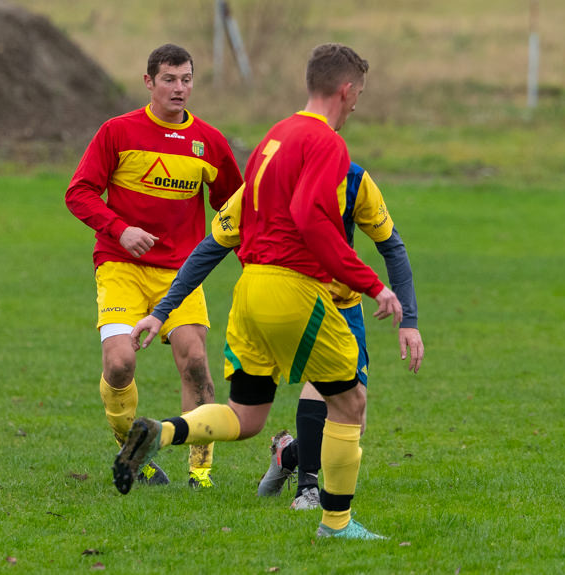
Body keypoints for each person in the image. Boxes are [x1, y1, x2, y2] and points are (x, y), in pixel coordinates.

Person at [114, 43, 402, 540]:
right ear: (346, 90)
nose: (356, 103)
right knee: (350, 401)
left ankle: (161, 432)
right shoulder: (328, 143)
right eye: (359, 95)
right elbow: (313, 218)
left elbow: (227, 229)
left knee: (245, 416)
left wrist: (161, 311)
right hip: (292, 289)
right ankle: (335, 523)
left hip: (249, 289)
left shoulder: (278, 135)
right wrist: (372, 284)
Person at [65, 43, 242, 489]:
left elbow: (237, 211)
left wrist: (257, 260)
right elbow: (79, 192)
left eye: (186, 79)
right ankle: (135, 454)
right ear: (149, 82)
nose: (179, 88)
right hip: (120, 265)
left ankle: (200, 473)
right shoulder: (117, 133)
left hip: (182, 274)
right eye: (169, 79)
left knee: (197, 361)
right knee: (120, 363)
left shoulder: (211, 143)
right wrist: (119, 228)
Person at [256, 162, 424, 511]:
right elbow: (219, 241)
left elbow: (391, 245)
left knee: (353, 416)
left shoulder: (354, 179)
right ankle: (308, 489)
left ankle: (288, 454)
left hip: (345, 302)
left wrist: (409, 318)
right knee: (326, 382)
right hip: (297, 299)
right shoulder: (274, 171)